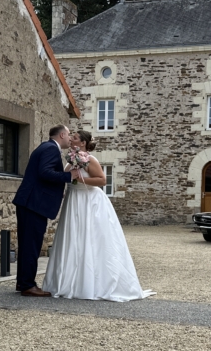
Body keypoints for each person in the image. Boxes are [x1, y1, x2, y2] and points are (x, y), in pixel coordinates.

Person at [42, 129, 153, 302]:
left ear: (83, 143)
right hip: (73, 201)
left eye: (75, 138)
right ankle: (68, 281)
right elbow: (65, 178)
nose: (71, 139)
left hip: (88, 202)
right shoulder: (70, 160)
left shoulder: (89, 159)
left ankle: (93, 283)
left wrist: (79, 180)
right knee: (72, 239)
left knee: (91, 239)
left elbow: (102, 180)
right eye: (71, 137)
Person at [12, 125, 81, 296]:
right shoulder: (51, 149)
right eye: (69, 135)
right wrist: (69, 176)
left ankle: (23, 282)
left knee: (27, 244)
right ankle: (28, 285)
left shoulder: (46, 147)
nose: (70, 138)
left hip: (30, 203)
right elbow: (45, 172)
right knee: (31, 245)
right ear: (62, 135)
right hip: (34, 204)